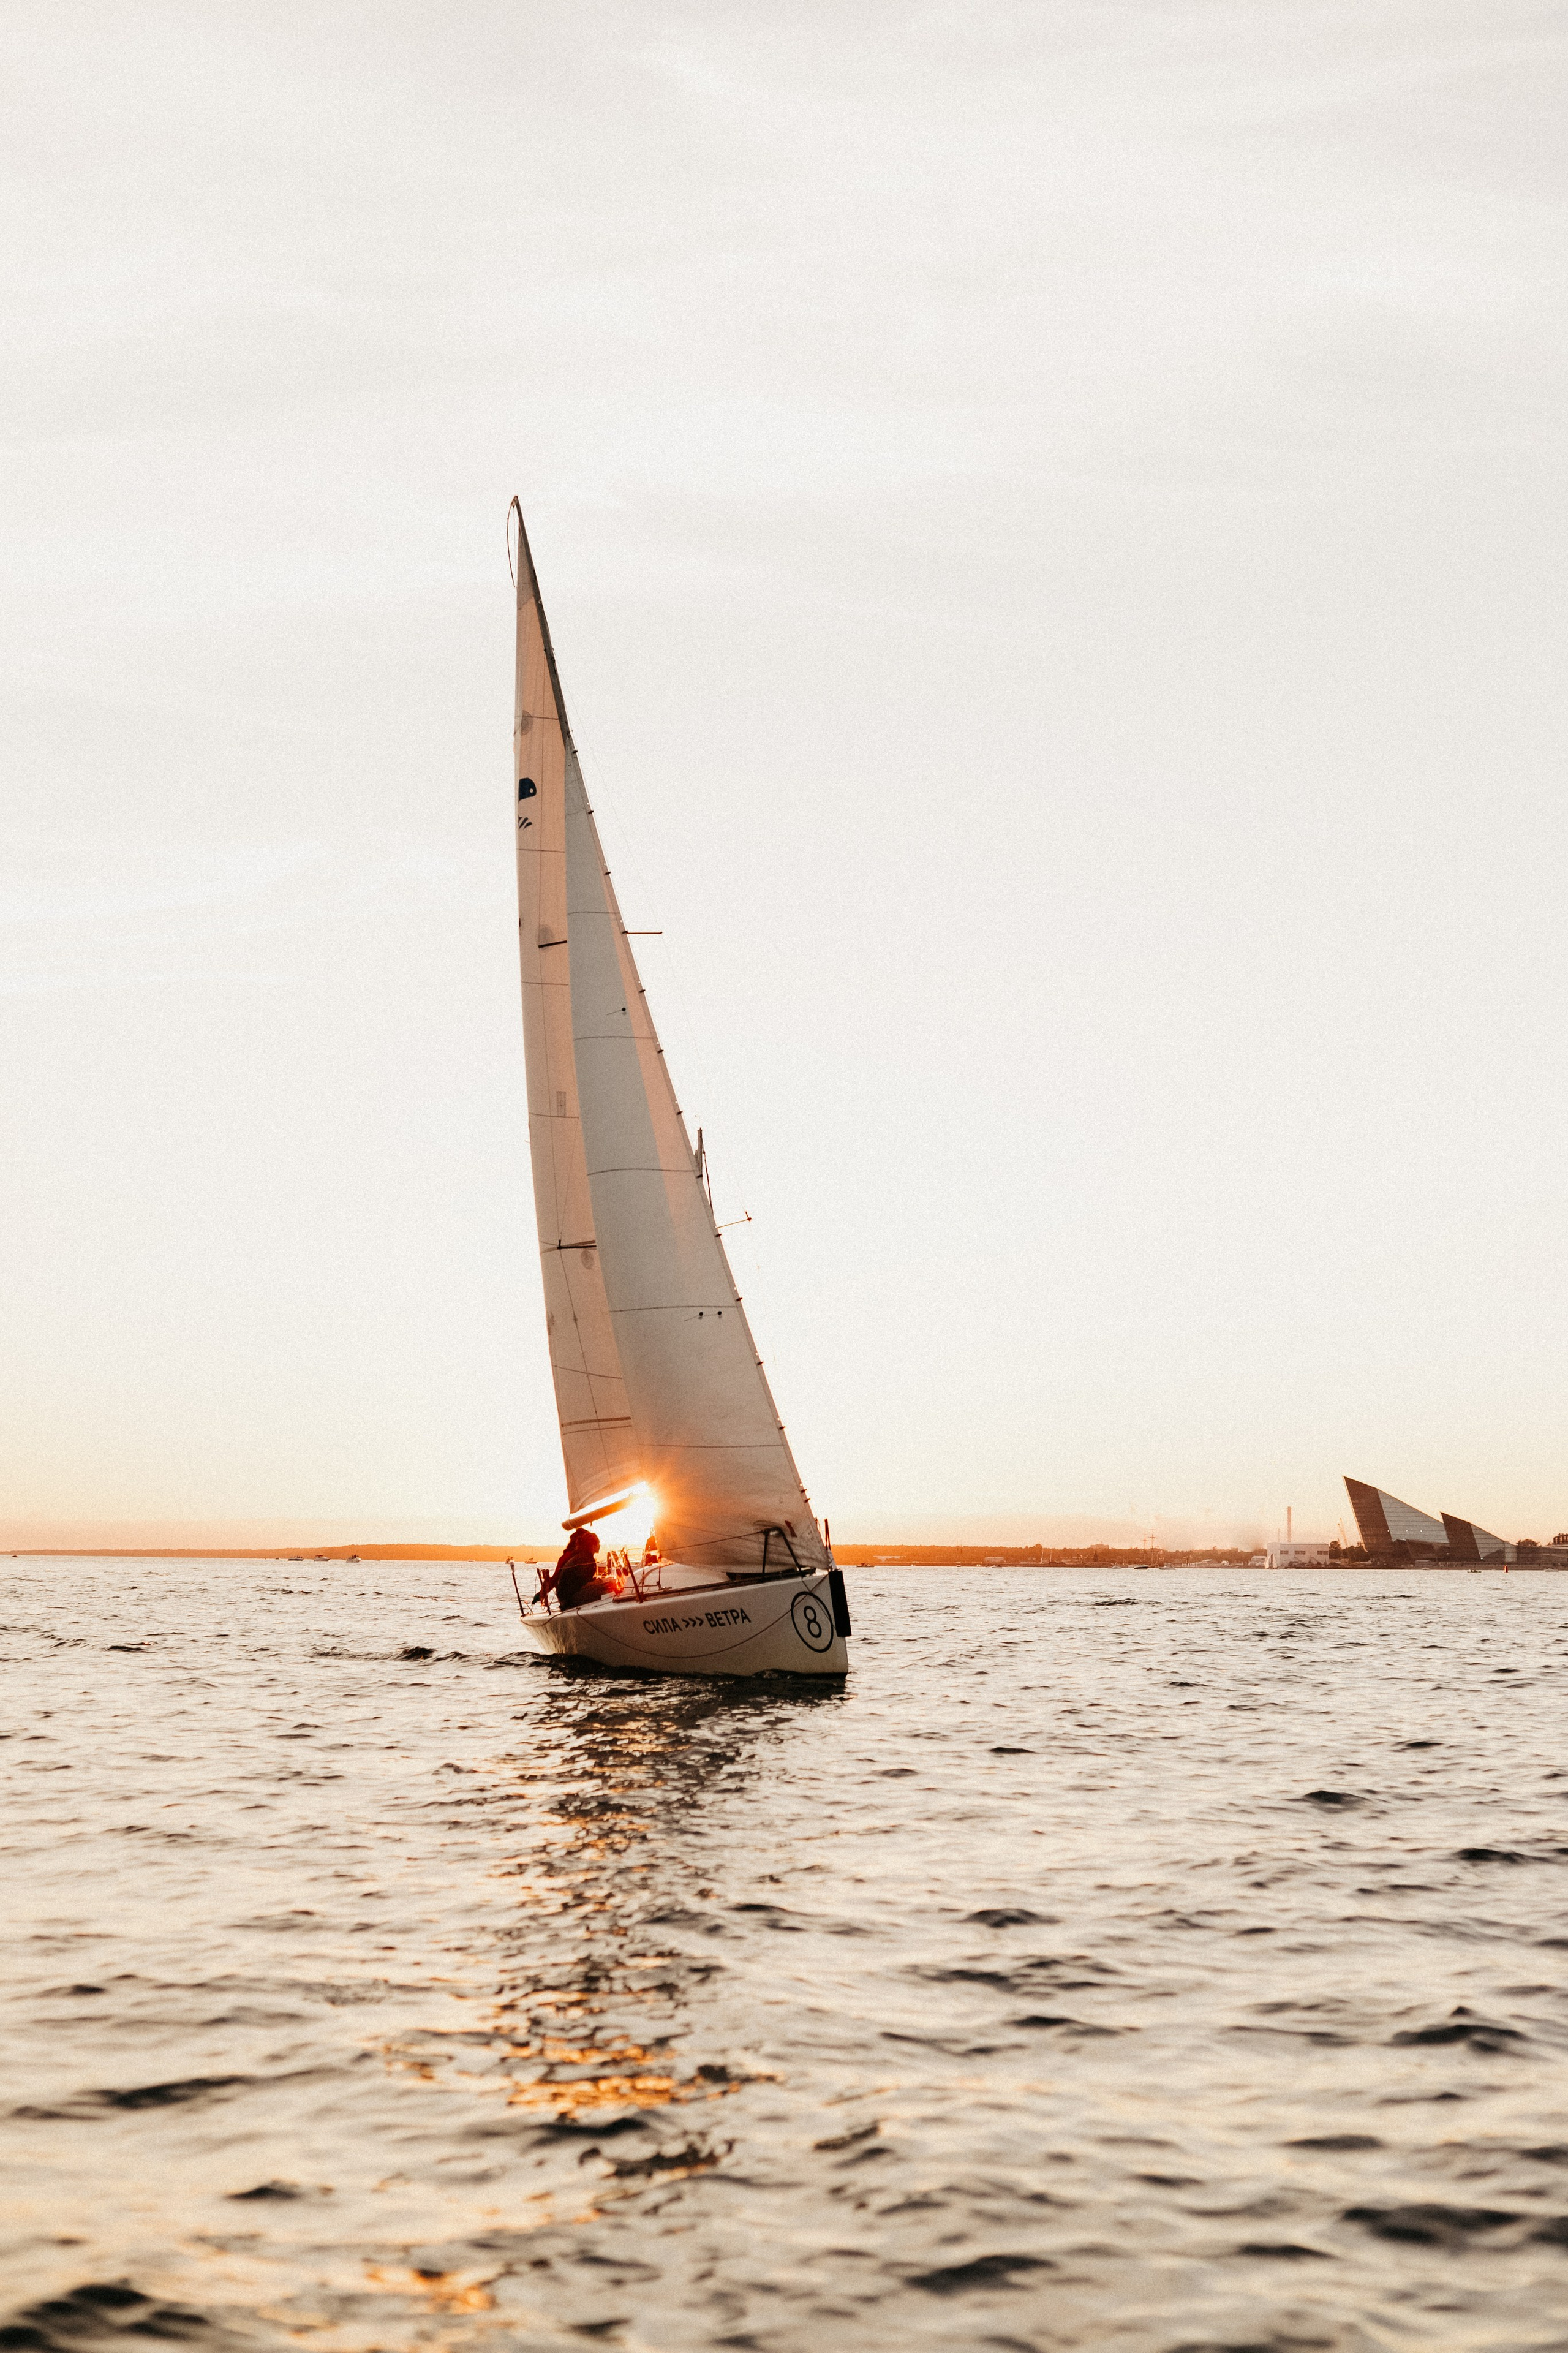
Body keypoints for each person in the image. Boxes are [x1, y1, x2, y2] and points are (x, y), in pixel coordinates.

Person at [551, 1525, 611, 1611]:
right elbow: (583, 1582)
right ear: (593, 1545)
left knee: (604, 1584)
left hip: (565, 1599)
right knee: (608, 1585)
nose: (600, 1545)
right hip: (571, 1599)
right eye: (598, 1543)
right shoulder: (587, 1559)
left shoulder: (579, 1556)